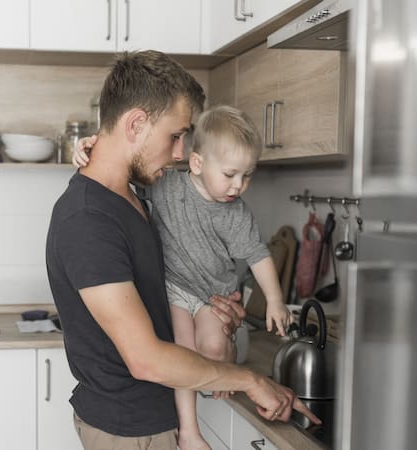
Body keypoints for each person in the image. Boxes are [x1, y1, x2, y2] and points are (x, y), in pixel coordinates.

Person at [46, 50, 319, 450]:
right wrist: (252, 381)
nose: (179, 153)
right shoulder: (88, 221)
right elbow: (146, 359)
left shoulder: (136, 197)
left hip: (156, 416)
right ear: (137, 123)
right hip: (128, 430)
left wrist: (221, 316)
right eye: (175, 135)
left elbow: (167, 299)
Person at [73, 105, 293, 449]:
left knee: (214, 347)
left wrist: (276, 301)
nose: (239, 186)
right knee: (183, 349)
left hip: (211, 297)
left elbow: (258, 254)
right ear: (197, 163)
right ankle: (189, 430)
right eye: (231, 174)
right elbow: (117, 171)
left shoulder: (236, 214)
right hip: (174, 290)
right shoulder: (167, 187)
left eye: (247, 176)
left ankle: (221, 378)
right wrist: (91, 146)